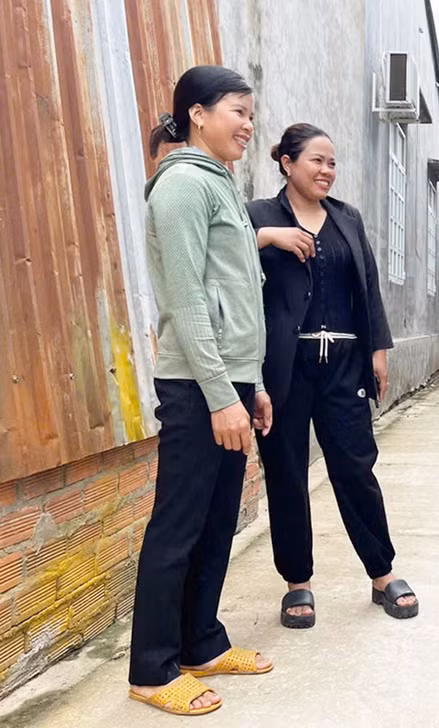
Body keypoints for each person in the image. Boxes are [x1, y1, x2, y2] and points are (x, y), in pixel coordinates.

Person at [128, 66, 274, 716]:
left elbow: (240, 299)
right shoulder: (183, 186)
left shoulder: (221, 187)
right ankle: (153, 669)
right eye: (237, 111)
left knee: (218, 521)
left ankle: (201, 642)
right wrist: (220, 395)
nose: (247, 124)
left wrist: (254, 385)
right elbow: (186, 301)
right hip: (195, 386)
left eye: (250, 113)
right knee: (179, 526)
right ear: (197, 114)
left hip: (229, 380)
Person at [247, 123, 418, 628]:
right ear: (287, 163)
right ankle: (296, 582)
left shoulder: (347, 218)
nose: (326, 171)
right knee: (287, 472)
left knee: (355, 467)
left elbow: (367, 283)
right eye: (316, 161)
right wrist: (267, 237)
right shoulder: (258, 214)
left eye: (332, 162)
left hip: (344, 364)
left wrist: (378, 351)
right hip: (284, 368)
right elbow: (224, 254)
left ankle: (382, 573)